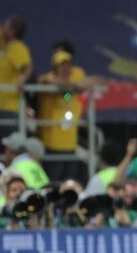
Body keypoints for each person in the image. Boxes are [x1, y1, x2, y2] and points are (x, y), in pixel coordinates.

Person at [0, 16, 32, 153]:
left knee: (10, 151)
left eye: (5, 25)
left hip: (9, 111)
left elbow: (27, 67)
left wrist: (22, 78)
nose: (1, 28)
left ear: (12, 31)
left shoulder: (17, 47)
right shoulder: (0, 51)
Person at [37, 51, 86, 181]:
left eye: (68, 65)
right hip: (52, 146)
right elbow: (45, 80)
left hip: (70, 145)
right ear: (54, 68)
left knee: (70, 183)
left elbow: (92, 82)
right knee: (53, 183)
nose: (65, 69)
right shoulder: (47, 81)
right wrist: (73, 86)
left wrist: (73, 86)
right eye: (61, 65)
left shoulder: (75, 82)